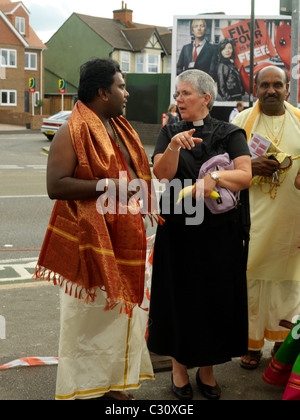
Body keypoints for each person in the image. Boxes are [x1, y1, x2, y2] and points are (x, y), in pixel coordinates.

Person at [34, 58, 158, 400]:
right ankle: (89, 389)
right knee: (87, 321)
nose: (126, 93)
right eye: (121, 86)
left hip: (124, 236)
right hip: (88, 242)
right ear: (103, 92)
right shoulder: (70, 131)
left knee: (121, 316)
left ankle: (113, 384)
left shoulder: (118, 127)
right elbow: (56, 186)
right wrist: (111, 187)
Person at [147, 69, 252, 400]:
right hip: (178, 232)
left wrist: (216, 178)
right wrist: (175, 147)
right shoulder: (169, 131)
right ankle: (179, 371)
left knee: (214, 301)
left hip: (220, 235)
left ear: (206, 98)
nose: (178, 99)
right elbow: (161, 173)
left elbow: (245, 176)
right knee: (178, 301)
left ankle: (207, 371)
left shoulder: (230, 132)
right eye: (177, 94)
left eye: (185, 93)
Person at [232, 66, 300, 369]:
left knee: (288, 283)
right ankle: (251, 344)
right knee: (251, 279)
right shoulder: (240, 122)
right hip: (252, 218)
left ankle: (280, 344)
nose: (271, 90)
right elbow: (219, 165)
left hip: (291, 218)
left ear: (287, 87)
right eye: (265, 85)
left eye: (277, 85)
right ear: (255, 88)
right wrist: (250, 166)